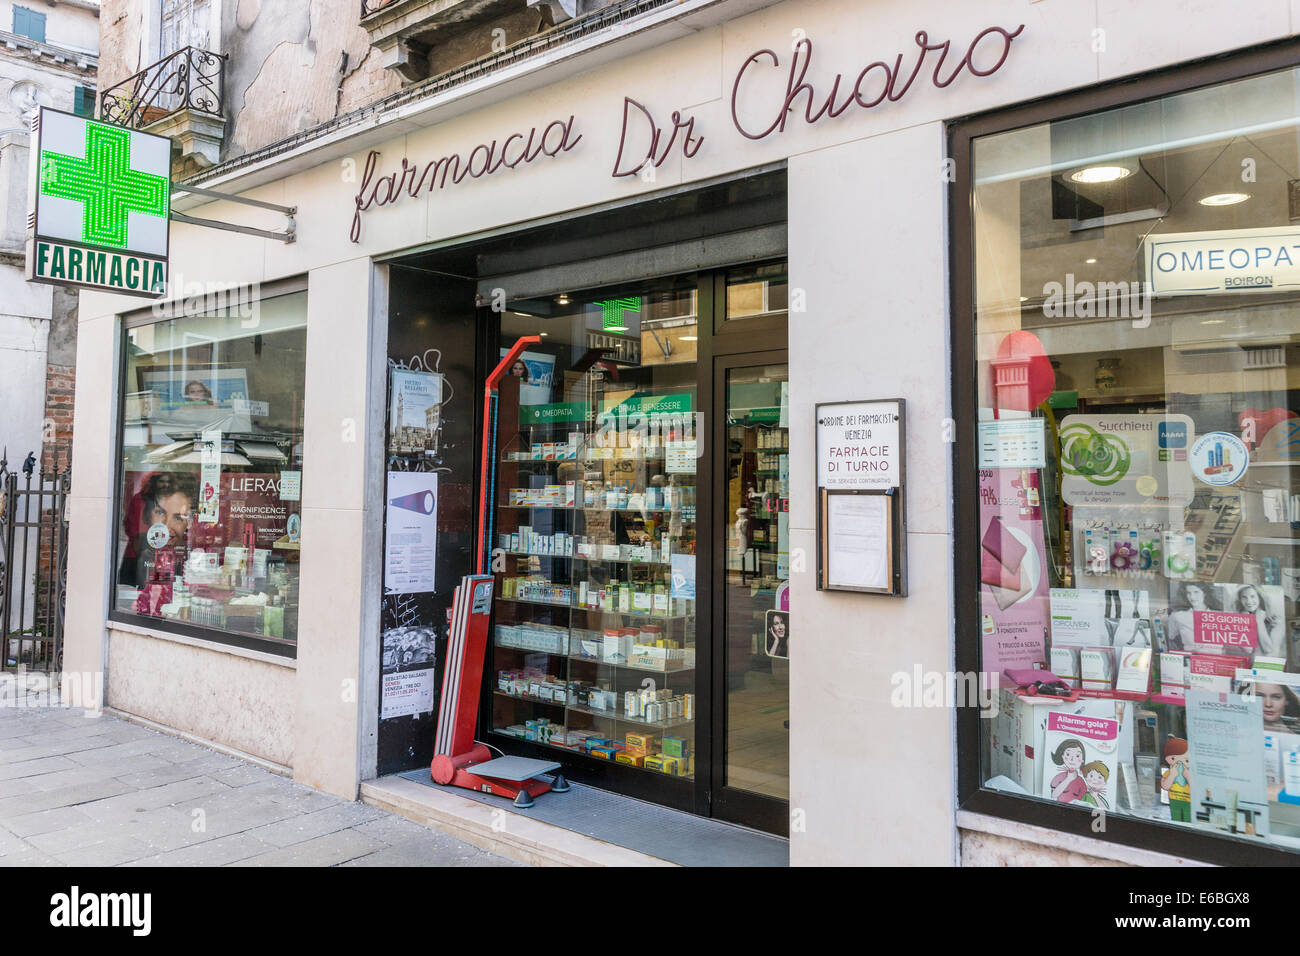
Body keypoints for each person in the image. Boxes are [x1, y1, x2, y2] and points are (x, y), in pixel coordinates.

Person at [132, 472, 197, 585]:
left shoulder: (193, 557)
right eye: (160, 512)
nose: (166, 526)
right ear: (147, 515)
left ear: (189, 522)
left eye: (178, 518)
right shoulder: (139, 551)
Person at [1234, 584, 1285, 657]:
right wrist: (1246, 621)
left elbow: (1268, 650)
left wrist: (1259, 621)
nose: (1249, 601)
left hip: (1268, 665)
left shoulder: (1276, 620)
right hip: (1248, 664)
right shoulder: (1241, 617)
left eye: (1252, 596)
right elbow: (1248, 649)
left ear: (1260, 598)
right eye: (1244, 597)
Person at [1165, 581, 1212, 651]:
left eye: (1196, 592)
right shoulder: (1178, 616)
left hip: (1217, 660)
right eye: (1188, 593)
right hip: (1190, 659)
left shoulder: (1219, 615)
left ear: (1204, 593)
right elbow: (1168, 637)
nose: (1192, 597)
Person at [1048, 738, 1088, 803]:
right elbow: (1053, 795)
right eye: (1068, 754)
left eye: (1077, 756)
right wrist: (1068, 779)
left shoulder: (1081, 782)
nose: (1072, 759)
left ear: (1082, 760)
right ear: (1063, 756)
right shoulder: (1059, 777)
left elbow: (1084, 800)